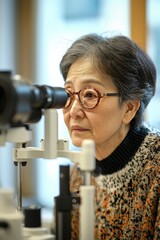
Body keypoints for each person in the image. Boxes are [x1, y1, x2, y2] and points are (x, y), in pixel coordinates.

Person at [59, 33, 160, 239]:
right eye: (68, 95)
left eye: (89, 95)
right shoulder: (78, 172)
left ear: (129, 108)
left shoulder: (156, 167)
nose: (74, 111)